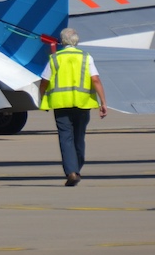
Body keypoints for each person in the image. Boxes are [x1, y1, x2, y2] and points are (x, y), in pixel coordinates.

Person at [39, 28, 107, 187]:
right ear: (76, 41)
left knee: (65, 138)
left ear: (62, 42)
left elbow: (44, 82)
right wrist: (103, 102)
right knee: (79, 137)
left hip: (61, 103)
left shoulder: (54, 58)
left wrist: (42, 98)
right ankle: (76, 168)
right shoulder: (85, 57)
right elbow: (95, 80)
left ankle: (71, 171)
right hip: (82, 103)